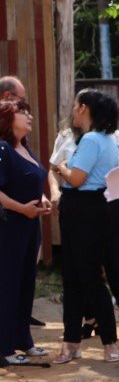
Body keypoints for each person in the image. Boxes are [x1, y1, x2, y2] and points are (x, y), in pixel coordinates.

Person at [52, 89, 119, 364]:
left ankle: (101, 342)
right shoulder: (106, 138)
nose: (72, 109)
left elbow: (78, 178)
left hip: (82, 208)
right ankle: (76, 341)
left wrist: (63, 167)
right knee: (78, 276)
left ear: (84, 108)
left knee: (85, 277)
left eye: (75, 105)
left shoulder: (92, 139)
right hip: (91, 208)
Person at [0, 99, 51, 364]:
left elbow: (32, 180)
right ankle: (5, 349)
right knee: (8, 286)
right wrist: (21, 208)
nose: (29, 116)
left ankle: (24, 341)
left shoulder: (25, 149)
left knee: (25, 284)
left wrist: (42, 199)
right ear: (8, 118)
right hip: (9, 227)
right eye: (22, 112)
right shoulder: (3, 149)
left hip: (30, 227)